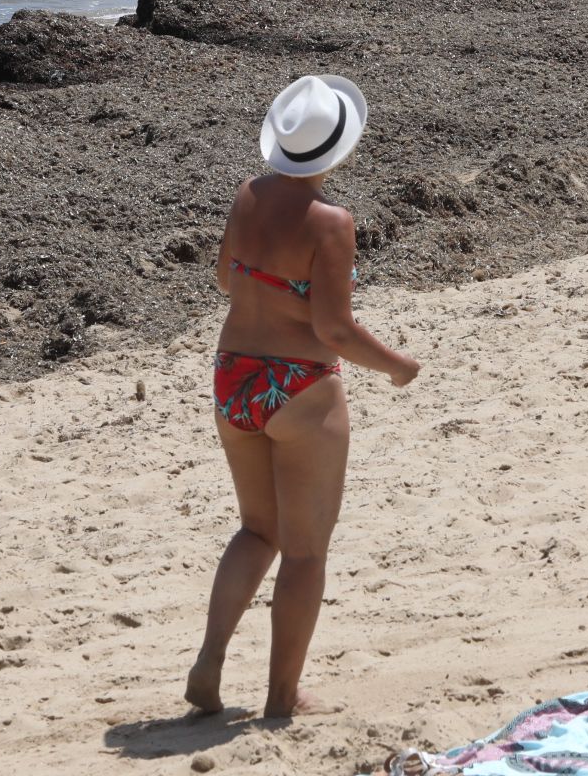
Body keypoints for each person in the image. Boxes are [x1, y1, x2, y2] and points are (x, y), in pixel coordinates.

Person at [186, 75, 421, 719]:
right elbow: (334, 330)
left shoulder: (247, 195)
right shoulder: (332, 223)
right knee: (306, 550)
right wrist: (396, 365)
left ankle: (209, 662)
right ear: (339, 149)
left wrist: (277, 292)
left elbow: (223, 278)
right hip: (298, 387)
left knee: (255, 530)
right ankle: (281, 697)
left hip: (234, 375)